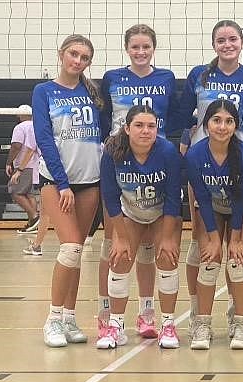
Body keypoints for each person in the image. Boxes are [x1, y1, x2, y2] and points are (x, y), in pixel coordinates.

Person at [176, 20, 243, 333]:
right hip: (202, 163)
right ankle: (198, 307)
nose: (228, 45)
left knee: (236, 249)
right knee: (202, 246)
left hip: (238, 163)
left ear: (241, 43)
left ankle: (235, 312)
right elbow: (185, 116)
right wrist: (186, 146)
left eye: (233, 39)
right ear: (214, 44)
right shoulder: (200, 74)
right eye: (221, 40)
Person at [98, 24, 180, 338]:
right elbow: (109, 194)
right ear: (127, 48)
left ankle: (155, 317)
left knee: (160, 253)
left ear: (154, 48)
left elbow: (174, 198)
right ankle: (110, 320)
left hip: (157, 186)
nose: (141, 52)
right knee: (115, 251)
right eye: (135, 47)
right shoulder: (113, 79)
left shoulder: (166, 79)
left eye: (146, 47)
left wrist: (172, 235)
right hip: (124, 172)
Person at [32, 34, 103, 347]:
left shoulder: (93, 92)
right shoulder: (44, 91)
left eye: (84, 57)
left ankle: (70, 318)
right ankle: (52, 319)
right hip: (57, 181)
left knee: (76, 253)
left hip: (90, 181)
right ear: (61, 54)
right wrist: (62, 183)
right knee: (70, 248)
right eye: (74, 54)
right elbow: (44, 139)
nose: (78, 60)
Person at [97, 105, 182, 349]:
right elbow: (110, 196)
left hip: (161, 214)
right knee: (119, 257)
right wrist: (120, 238)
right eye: (139, 125)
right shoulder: (113, 151)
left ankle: (167, 324)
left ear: (157, 129)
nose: (145, 131)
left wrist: (167, 237)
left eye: (151, 126)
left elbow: (174, 198)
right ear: (127, 128)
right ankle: (116, 326)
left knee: (167, 256)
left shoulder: (167, 152)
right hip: (130, 213)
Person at [186, 99, 243, 350]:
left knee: (237, 261)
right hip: (212, 206)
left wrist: (235, 238)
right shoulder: (195, 154)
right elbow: (202, 198)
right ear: (206, 124)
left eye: (229, 121)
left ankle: (241, 323)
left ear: (236, 125)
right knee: (209, 259)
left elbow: (241, 198)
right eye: (217, 120)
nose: (222, 126)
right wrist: (214, 238)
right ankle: (202, 323)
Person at [6, 104, 40, 234]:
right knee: (29, 194)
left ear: (19, 115)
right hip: (36, 165)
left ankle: (34, 217)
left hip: (24, 165)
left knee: (16, 192)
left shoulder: (20, 127)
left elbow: (16, 145)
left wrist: (9, 163)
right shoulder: (36, 126)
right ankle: (32, 224)